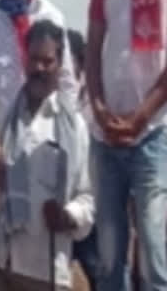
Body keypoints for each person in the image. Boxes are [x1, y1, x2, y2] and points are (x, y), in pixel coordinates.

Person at [87, 0, 167, 291]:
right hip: (106, 138)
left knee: (155, 260)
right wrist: (98, 108)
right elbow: (93, 45)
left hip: (153, 134)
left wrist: (142, 116)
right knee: (109, 261)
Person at [0, 20, 94, 291]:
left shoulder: (71, 126)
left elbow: (88, 198)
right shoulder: (5, 120)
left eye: (48, 61)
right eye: (34, 59)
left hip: (46, 269)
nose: (39, 68)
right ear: (24, 59)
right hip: (2, 261)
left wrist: (67, 216)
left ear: (60, 64)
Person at [66, 28, 99, 290]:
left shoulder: (97, 97)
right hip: (60, 205)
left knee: (99, 271)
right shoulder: (53, 101)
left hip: (92, 200)